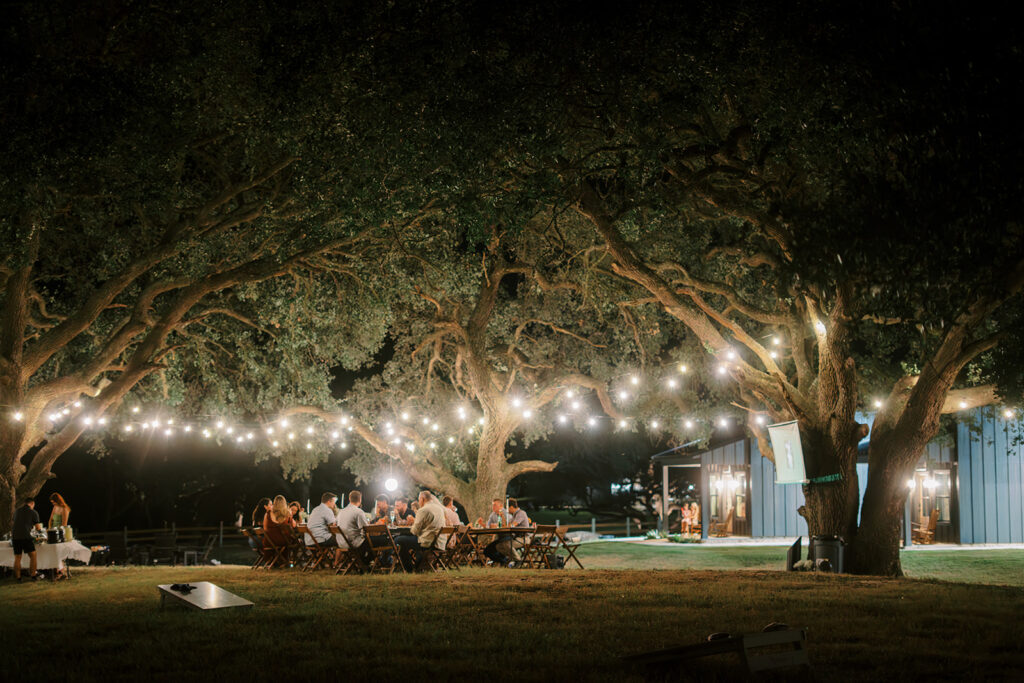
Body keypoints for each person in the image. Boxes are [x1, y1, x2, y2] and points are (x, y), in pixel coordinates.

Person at [396, 491, 446, 571]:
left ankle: (409, 569)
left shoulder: (423, 510)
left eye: (419, 500)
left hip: (427, 542)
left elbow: (414, 531)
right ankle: (417, 565)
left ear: (422, 499)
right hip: (439, 541)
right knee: (405, 540)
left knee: (399, 539)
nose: (419, 502)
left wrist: (413, 522)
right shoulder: (439, 508)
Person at [485, 498, 529, 566]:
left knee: (507, 544)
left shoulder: (521, 513)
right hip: (516, 538)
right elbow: (507, 526)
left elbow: (512, 525)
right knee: (499, 546)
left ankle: (518, 560)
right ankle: (509, 560)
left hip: (523, 539)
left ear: (511, 507)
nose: (507, 510)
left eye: (508, 508)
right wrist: (502, 517)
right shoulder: (514, 515)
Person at [12, 498, 43, 581]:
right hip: (25, 536)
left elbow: (16, 522)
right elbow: (38, 528)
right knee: (33, 555)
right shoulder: (33, 512)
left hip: (15, 536)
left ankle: (18, 578)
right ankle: (33, 575)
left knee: (17, 557)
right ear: (32, 503)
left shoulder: (17, 511)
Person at [335, 490, 370, 563]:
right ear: (360, 499)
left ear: (349, 499)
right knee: (379, 542)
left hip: (341, 542)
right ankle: (364, 563)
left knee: (369, 542)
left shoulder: (341, 511)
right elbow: (366, 529)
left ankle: (360, 562)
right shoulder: (358, 511)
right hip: (353, 543)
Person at [262, 495, 295, 560]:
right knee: (297, 542)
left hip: (269, 541)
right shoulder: (287, 514)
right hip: (283, 541)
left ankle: (275, 561)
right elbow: (293, 526)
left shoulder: (268, 514)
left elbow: (265, 528)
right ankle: (289, 560)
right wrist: (291, 515)